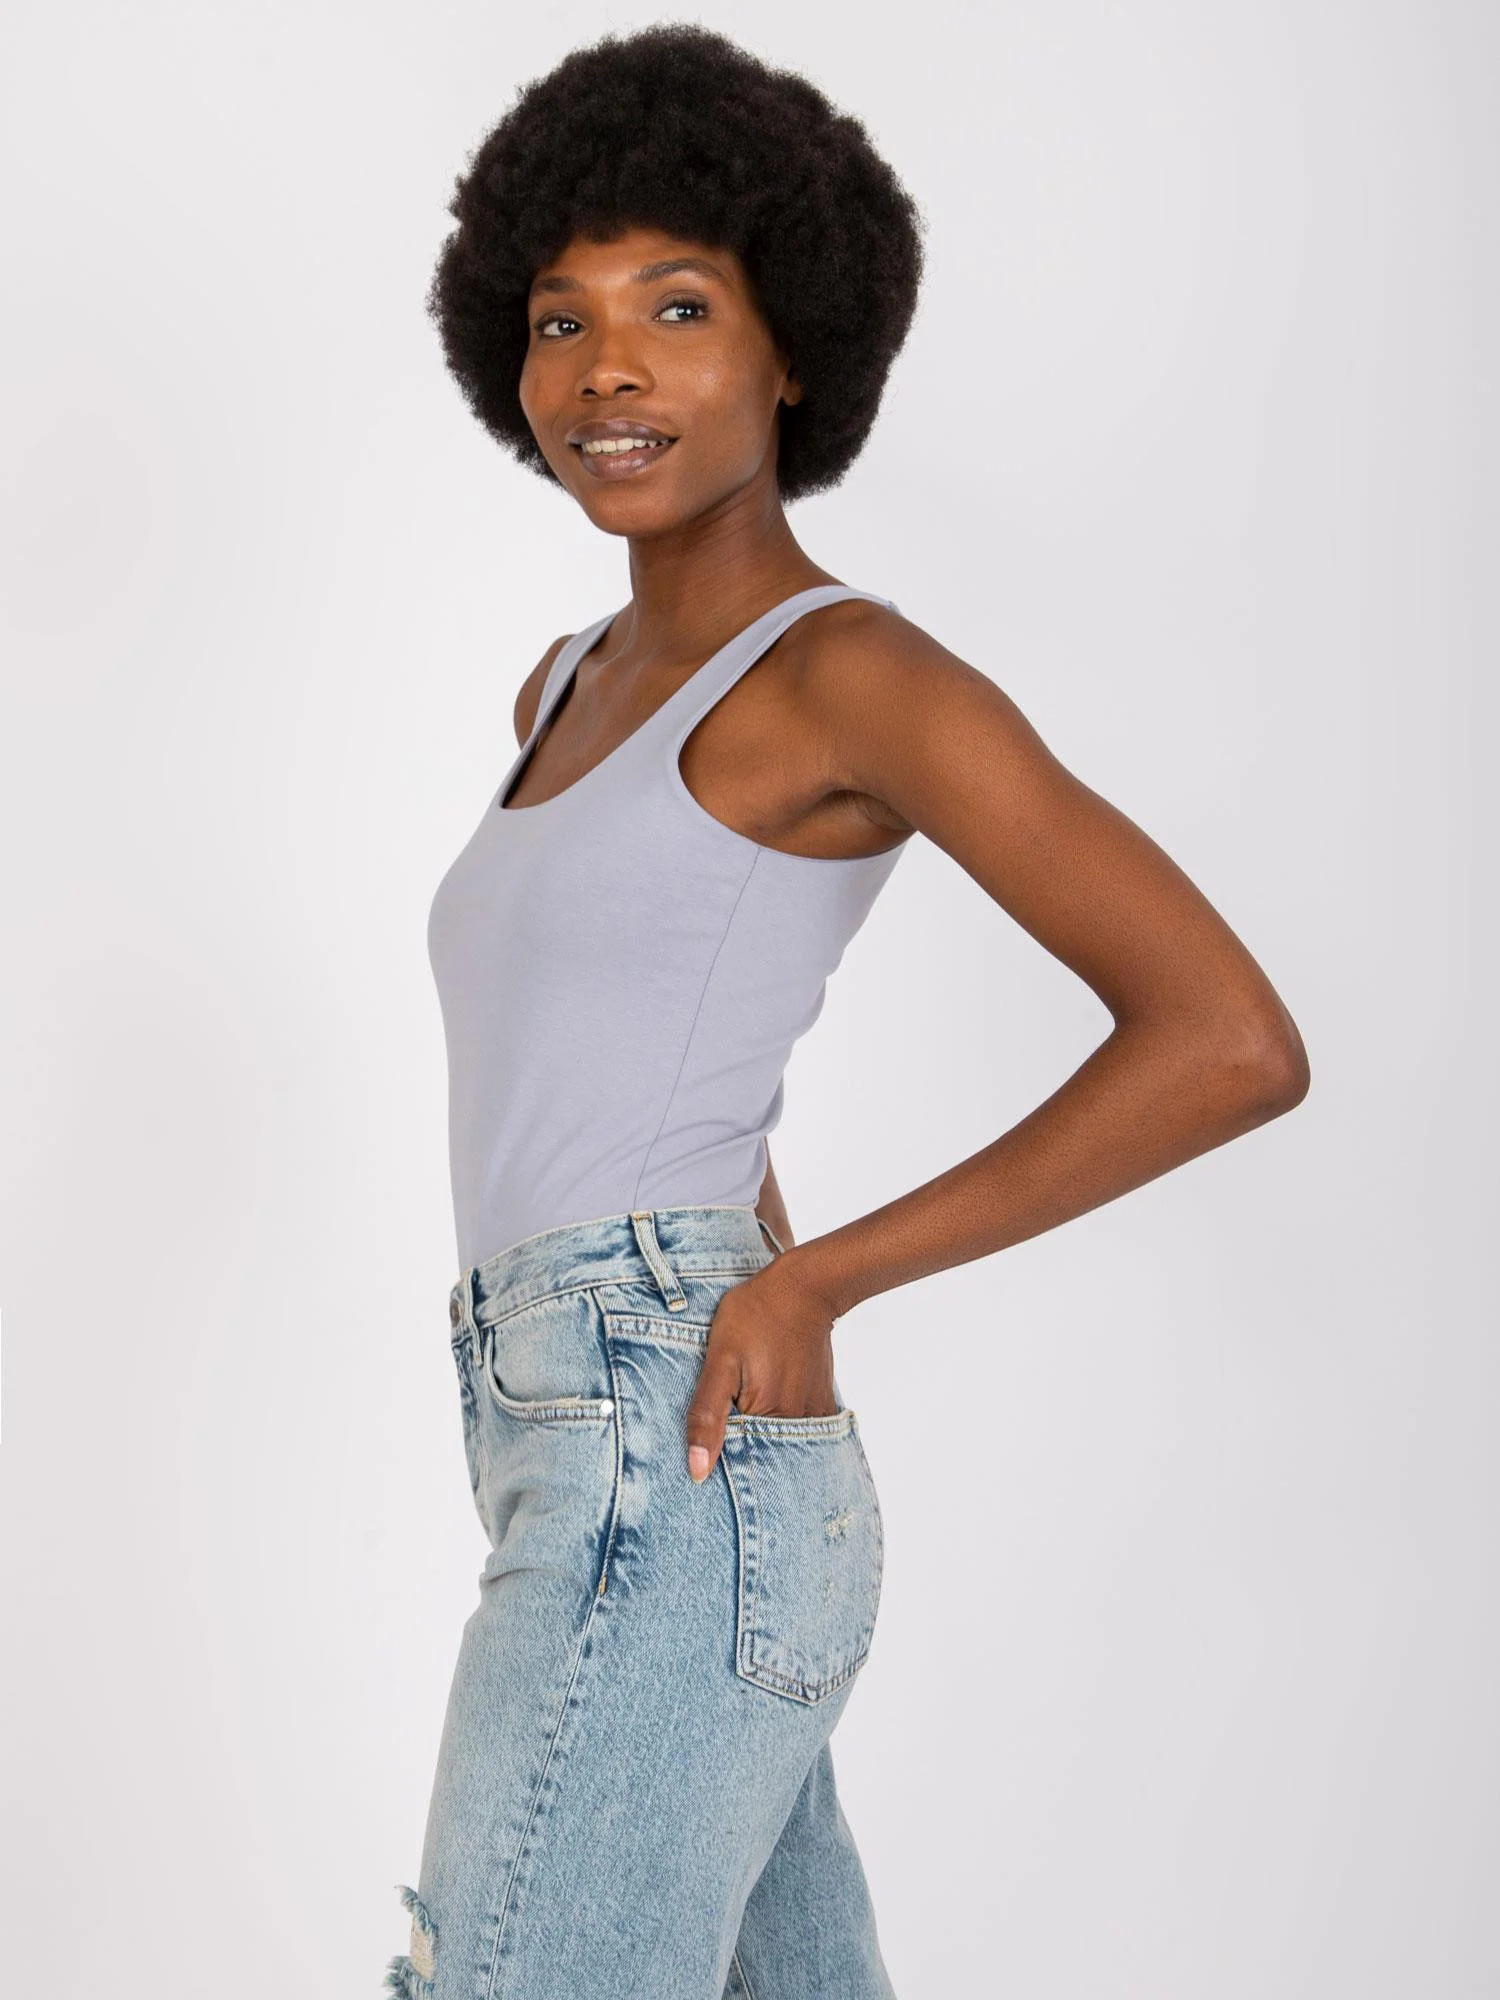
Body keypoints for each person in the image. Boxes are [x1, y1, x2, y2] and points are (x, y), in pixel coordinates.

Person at [385, 24, 1310, 2000]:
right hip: (594, 1425)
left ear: (792, 347)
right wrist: (751, 1269)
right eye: (561, 320)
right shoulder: (560, 683)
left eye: (678, 308)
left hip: (657, 1444)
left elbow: (1226, 1038)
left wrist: (814, 1283)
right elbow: (665, 1066)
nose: (608, 368)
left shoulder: (849, 678)